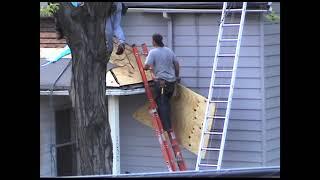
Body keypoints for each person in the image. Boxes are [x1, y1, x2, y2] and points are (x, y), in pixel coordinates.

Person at [144, 33, 180, 132]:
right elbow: (176, 64)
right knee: (166, 103)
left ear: (154, 41)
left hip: (161, 82)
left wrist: (147, 68)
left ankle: (167, 127)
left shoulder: (153, 52)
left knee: (162, 103)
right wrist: (176, 76)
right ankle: (167, 125)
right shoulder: (169, 51)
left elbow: (146, 66)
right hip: (171, 82)